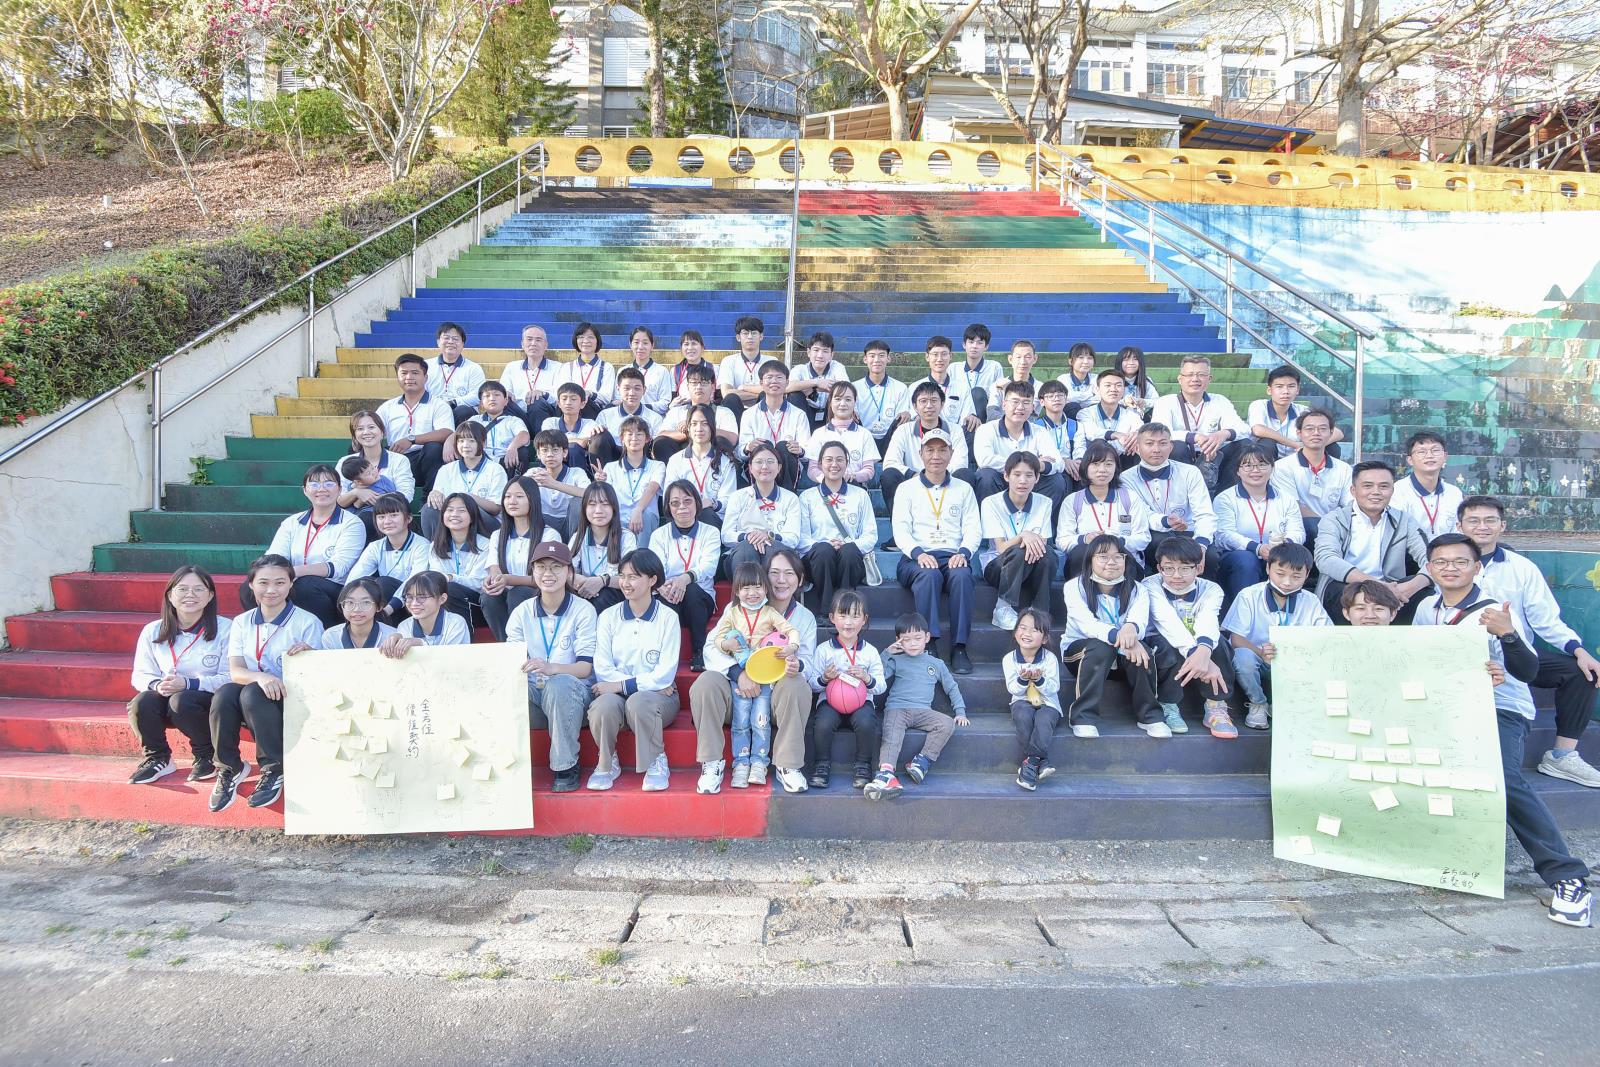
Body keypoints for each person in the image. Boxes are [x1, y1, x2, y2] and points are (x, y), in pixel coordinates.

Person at [1409, 534, 1592, 927]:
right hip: (1445, 707)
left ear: (1477, 568)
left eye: (1460, 561)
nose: (1450, 568)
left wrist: (1508, 635)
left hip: (1500, 708)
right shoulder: (1426, 608)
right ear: (1429, 568)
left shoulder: (1495, 610)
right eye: (1441, 561)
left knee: (1504, 777)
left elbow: (1528, 671)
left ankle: (1568, 877)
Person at [1460, 495, 1600, 789]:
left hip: (1515, 657)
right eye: (1473, 520)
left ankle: (1562, 756)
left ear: (1502, 525)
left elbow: (1546, 619)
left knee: (1580, 672)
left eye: (1490, 520)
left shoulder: (1522, 568)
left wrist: (1578, 650)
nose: (1482, 526)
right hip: (1462, 659)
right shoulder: (1447, 564)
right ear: (1460, 525)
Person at [691, 548, 818, 795]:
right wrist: (739, 674)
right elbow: (711, 648)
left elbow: (809, 664)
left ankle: (787, 764)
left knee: (797, 684)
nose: (781, 580)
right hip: (738, 694)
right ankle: (712, 762)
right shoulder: (737, 610)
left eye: (789, 574)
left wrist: (796, 665)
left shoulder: (804, 618)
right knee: (706, 682)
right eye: (774, 573)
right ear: (763, 576)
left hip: (775, 701)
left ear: (800, 579)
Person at [208, 554, 323, 813]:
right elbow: (236, 671)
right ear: (251, 585)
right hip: (253, 694)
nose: (271, 590)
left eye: (280, 583)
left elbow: (314, 676)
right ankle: (229, 768)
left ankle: (274, 768)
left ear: (291, 584)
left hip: (292, 697)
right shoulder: (242, 622)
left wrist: (309, 656)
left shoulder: (307, 622)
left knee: (252, 693)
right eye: (263, 583)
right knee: (225, 693)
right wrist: (262, 677)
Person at [506, 541, 597, 794]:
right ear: (533, 572)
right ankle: (506, 767)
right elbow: (511, 662)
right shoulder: (522, 612)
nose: (548, 573)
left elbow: (584, 669)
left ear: (569, 572)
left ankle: (565, 765)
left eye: (556, 567)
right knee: (504, 688)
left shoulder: (583, 610)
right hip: (536, 693)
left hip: (574, 692)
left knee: (559, 685)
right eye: (541, 567)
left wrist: (551, 668)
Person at [127, 566, 231, 786]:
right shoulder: (153, 630)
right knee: (141, 701)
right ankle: (158, 758)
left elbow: (230, 676)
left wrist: (188, 683)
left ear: (210, 595)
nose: (190, 595)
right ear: (170, 595)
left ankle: (206, 755)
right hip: (168, 694)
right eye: (182, 589)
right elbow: (140, 674)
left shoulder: (226, 628)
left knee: (181, 700)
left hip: (207, 698)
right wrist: (157, 685)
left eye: (198, 589)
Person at [588, 549, 682, 791]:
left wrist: (621, 686)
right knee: (603, 705)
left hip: (659, 700)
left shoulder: (668, 618)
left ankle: (656, 760)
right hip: (624, 695)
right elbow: (603, 668)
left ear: (652, 580)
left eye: (633, 577)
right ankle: (606, 762)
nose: (625, 583)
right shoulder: (608, 617)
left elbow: (665, 674)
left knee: (639, 701)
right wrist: (644, 684)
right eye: (622, 576)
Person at [891, 428, 981, 675]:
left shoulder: (964, 488)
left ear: (951, 454)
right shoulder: (906, 488)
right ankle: (929, 644)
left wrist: (964, 553)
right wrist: (918, 553)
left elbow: (973, 527)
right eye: (930, 450)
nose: (936, 456)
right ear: (920, 453)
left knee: (962, 576)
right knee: (928, 575)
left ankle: (959, 647)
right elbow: (900, 529)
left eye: (942, 450)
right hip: (915, 557)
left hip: (952, 555)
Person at [1222, 541, 1331, 730]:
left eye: (1296, 576)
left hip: (1295, 663)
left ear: (1307, 575)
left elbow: (1325, 637)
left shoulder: (1311, 601)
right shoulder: (1249, 595)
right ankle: (1258, 703)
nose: (1287, 582)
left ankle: (1289, 703)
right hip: (1260, 659)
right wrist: (1261, 653)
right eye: (1280, 574)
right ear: (1268, 568)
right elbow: (1236, 640)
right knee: (1242, 657)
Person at [1062, 535, 1163, 738]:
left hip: (1123, 655)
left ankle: (1150, 716)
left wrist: (1131, 631)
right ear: (1090, 560)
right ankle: (1083, 717)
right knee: (1102, 647)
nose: (1111, 562)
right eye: (1103, 556)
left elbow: (1138, 621)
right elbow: (1086, 624)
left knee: (1142, 651)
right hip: (1083, 656)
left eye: (1118, 557)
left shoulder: (1138, 589)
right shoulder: (1074, 586)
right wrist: (1122, 636)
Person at [709, 563, 800, 788]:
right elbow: (717, 639)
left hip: (764, 676)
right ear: (737, 591)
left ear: (766, 589)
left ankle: (759, 762)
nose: (752, 593)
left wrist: (792, 646)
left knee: (760, 720)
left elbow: (790, 631)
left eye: (758, 587)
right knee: (741, 721)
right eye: (746, 588)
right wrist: (726, 644)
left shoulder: (769, 613)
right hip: (741, 677)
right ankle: (741, 763)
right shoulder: (732, 613)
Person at [244, 464, 365, 627]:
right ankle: (267, 631)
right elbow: (274, 557)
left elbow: (339, 567)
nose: (321, 489)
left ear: (339, 489)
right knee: (251, 587)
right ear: (305, 490)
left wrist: (294, 572)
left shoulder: (352, 523)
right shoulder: (292, 522)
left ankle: (323, 633)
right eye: (314, 484)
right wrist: (275, 578)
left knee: (305, 586)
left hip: (336, 588)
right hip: (293, 580)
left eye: (329, 483)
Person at [1313, 460, 1432, 623]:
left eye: (1383, 486)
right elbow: (1326, 559)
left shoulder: (1404, 520)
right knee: (1341, 591)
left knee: (1425, 590)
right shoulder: (1334, 519)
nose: (1376, 492)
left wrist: (1409, 588)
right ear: (1353, 490)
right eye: (1368, 486)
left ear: (1392, 490)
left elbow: (1432, 560)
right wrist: (1378, 586)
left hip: (1393, 590)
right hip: (1348, 586)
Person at [868, 610, 969, 800]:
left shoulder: (936, 664)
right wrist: (887, 653)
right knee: (892, 735)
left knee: (946, 723)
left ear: (927, 638)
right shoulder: (896, 660)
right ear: (899, 641)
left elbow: (951, 687)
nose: (913, 643)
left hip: (923, 711)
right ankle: (886, 773)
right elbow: (879, 676)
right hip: (897, 708)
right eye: (906, 639)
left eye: (917, 638)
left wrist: (960, 711)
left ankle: (922, 761)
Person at [1141, 537, 1235, 738]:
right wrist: (1197, 655)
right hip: (1161, 637)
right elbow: (1166, 621)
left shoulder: (1211, 589)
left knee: (1219, 644)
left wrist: (1203, 651)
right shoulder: (1149, 585)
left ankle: (1216, 705)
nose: (1176, 575)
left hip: (1195, 640)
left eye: (1185, 568)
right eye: (1169, 568)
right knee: (1167, 647)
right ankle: (1168, 704)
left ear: (1199, 568)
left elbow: (1208, 620)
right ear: (1159, 568)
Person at [808, 590, 887, 790]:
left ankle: (863, 765)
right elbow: (812, 684)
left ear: (864, 619)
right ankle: (821, 764)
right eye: (842, 616)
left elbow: (881, 686)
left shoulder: (870, 652)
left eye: (855, 616)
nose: (848, 622)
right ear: (832, 617)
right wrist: (825, 678)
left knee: (866, 722)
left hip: (861, 703)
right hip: (830, 702)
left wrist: (867, 678)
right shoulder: (824, 650)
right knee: (823, 723)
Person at [1212, 442, 1306, 610]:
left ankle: (1286, 613)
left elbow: (1297, 531)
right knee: (1246, 560)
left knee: (1291, 559)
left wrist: (1284, 545)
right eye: (1248, 465)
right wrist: (1257, 548)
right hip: (1238, 556)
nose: (1255, 470)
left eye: (1262, 464)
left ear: (1272, 468)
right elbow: (1224, 534)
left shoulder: (1286, 499)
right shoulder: (1225, 499)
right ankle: (1245, 612)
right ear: (1238, 471)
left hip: (1279, 552)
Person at [797, 440, 877, 614]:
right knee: (824, 551)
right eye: (829, 460)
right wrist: (825, 544)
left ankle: (845, 609)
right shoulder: (807, 497)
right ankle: (827, 611)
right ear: (820, 464)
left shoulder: (860, 495)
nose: (834, 464)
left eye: (840, 459)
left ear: (847, 463)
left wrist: (848, 545)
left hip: (850, 560)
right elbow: (802, 537)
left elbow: (870, 535)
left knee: (849, 551)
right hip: (818, 561)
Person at [648, 481, 721, 671]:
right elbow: (656, 568)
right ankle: (664, 658)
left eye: (687, 501)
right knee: (665, 600)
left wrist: (684, 579)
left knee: (692, 590)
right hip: (669, 595)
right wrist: (662, 587)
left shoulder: (711, 532)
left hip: (699, 601)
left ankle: (699, 650)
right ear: (668, 507)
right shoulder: (659, 535)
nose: (682, 507)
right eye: (675, 503)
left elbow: (708, 567)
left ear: (697, 503)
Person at [1124, 422, 1217, 570]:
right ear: (1137, 447)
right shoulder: (1126, 478)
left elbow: (1204, 513)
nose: (1156, 449)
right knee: (1160, 544)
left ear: (1171, 447)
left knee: (1210, 556)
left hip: (1188, 532)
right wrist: (1165, 521)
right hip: (1153, 532)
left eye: (1162, 443)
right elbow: (1140, 514)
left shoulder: (1190, 472)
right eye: (1149, 443)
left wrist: (1201, 545)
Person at [1056, 440, 1154, 580]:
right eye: (1095, 464)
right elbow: (1062, 541)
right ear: (1085, 467)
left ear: (1116, 467)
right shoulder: (1072, 501)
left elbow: (1143, 538)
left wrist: (1116, 542)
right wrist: (1085, 539)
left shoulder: (1130, 498)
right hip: (1088, 561)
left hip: (1123, 561)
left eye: (1108, 464)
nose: (1102, 470)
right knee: (1079, 551)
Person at [880, 381, 976, 519]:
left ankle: (955, 523)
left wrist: (937, 477)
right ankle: (899, 524)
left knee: (965, 474)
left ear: (942, 404)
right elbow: (890, 462)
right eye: (923, 401)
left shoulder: (955, 430)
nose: (929, 406)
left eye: (934, 400)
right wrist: (916, 476)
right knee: (889, 475)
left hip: (946, 483)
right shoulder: (903, 430)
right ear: (915, 406)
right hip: (912, 483)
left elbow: (960, 463)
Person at [981, 451, 1056, 629]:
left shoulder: (1044, 502)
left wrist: (1029, 538)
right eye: (1017, 474)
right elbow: (1001, 548)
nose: (1023, 481)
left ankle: (1039, 611)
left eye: (1029, 475)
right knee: (1018, 551)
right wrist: (1023, 535)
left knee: (1049, 554)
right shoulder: (991, 503)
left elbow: (1041, 544)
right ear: (1006, 476)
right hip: (998, 567)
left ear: (1037, 478)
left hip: (1029, 566)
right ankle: (1002, 608)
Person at [1149, 355, 1249, 488]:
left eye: (1201, 374)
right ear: (1180, 379)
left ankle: (1225, 492)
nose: (1195, 379)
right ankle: (1180, 491)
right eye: (1190, 374)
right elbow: (1160, 432)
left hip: (1213, 457)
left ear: (1209, 379)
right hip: (1182, 457)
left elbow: (1244, 429)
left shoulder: (1220, 401)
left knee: (1245, 444)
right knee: (1176, 446)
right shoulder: (1165, 402)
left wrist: (1224, 434)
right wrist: (1194, 437)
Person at [480, 476, 560, 640]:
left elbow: (547, 578)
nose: (512, 501)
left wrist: (509, 579)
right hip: (508, 592)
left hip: (539, 593)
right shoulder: (498, 535)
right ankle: (507, 644)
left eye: (519, 496)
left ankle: (523, 642)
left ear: (532, 499)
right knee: (489, 597)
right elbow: (495, 568)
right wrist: (494, 581)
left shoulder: (549, 535)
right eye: (507, 496)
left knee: (518, 592)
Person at [972, 380, 1068, 509]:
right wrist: (1031, 464)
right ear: (1004, 404)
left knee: (1056, 481)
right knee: (986, 476)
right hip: (1000, 480)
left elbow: (1059, 463)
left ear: (1032, 408)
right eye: (1015, 402)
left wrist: (1040, 465)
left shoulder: (1040, 432)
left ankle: (1037, 518)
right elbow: (985, 460)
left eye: (1026, 402)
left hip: (1029, 483)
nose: (1020, 407)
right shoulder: (986, 429)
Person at [376, 352, 456, 490]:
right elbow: (374, 428)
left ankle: (429, 496)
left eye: (415, 373)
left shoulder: (438, 404)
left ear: (425, 377)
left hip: (421, 460)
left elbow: (446, 432)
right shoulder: (388, 407)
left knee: (434, 448)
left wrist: (412, 439)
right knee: (359, 445)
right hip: (395, 458)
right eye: (404, 373)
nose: (409, 377)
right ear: (397, 377)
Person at [1269, 409, 1351, 543]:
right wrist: (1325, 525)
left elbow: (1349, 505)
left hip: (1334, 526)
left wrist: (1333, 525)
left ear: (1331, 433)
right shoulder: (1282, 467)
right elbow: (1293, 507)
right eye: (1310, 429)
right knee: (1311, 524)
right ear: (1299, 433)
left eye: (1322, 429)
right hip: (1298, 528)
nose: (1316, 433)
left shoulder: (1344, 469)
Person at [722, 441, 803, 572]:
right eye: (759, 462)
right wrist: (749, 536)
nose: (765, 466)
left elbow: (793, 538)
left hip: (776, 553)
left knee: (773, 549)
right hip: (742, 555)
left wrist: (768, 535)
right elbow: (726, 535)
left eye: (770, 461)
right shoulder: (738, 496)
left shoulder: (790, 498)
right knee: (746, 548)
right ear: (750, 467)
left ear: (779, 467)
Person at [1004, 608, 1061, 790]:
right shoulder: (1009, 659)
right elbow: (1012, 688)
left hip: (1048, 703)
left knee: (1044, 719)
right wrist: (1023, 679)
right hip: (1021, 701)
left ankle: (1031, 762)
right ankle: (1041, 761)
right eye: (1022, 628)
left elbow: (1054, 687)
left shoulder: (1050, 658)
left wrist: (1039, 680)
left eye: (1035, 630)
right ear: (1015, 632)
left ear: (1044, 639)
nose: (1027, 633)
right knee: (1023, 715)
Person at [348, 492, 429, 621]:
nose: (387, 521)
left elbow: (415, 583)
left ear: (408, 518)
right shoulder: (375, 546)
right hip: (383, 605)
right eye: (381, 517)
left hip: (412, 603)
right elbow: (355, 577)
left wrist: (388, 609)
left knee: (384, 583)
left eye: (394, 515)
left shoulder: (422, 545)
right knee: (365, 583)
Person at [422, 422, 506, 538]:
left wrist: (468, 498)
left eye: (471, 441)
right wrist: (434, 495)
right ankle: (438, 546)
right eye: (461, 441)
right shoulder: (446, 469)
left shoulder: (495, 469)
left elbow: (496, 508)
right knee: (429, 508)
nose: (465, 445)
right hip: (454, 518)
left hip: (485, 522)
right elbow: (438, 498)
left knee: (468, 508)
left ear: (483, 443)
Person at [736, 360, 811, 489]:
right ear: (761, 383)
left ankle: (787, 496)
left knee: (783, 446)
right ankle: (760, 495)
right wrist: (748, 447)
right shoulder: (749, 414)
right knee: (764, 446)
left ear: (787, 382)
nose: (774, 381)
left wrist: (800, 449)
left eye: (779, 377)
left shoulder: (799, 414)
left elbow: (807, 452)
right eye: (769, 377)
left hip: (788, 466)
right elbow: (740, 453)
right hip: (760, 467)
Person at [338, 410, 415, 534]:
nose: (366, 432)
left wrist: (377, 499)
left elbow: (406, 494)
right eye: (360, 429)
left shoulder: (399, 460)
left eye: (371, 427)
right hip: (353, 516)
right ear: (354, 435)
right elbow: (339, 498)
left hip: (389, 513)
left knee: (368, 519)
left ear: (382, 431)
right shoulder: (345, 462)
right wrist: (357, 492)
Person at [568, 481, 637, 616]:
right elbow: (567, 571)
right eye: (592, 504)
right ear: (584, 508)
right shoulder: (579, 537)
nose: (598, 510)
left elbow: (631, 577)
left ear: (614, 508)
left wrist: (602, 581)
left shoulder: (626, 537)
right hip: (584, 590)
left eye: (605, 504)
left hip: (614, 594)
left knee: (603, 596)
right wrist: (579, 579)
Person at [662, 404, 738, 526]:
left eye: (705, 423)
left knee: (705, 513)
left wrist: (712, 503)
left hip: (712, 518)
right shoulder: (676, 460)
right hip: (683, 515)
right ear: (688, 428)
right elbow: (669, 496)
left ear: (712, 427)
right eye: (694, 424)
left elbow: (729, 499)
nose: (699, 428)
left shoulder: (726, 461)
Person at [423, 493, 492, 626]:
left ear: (472, 516)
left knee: (450, 588)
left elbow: (479, 583)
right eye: (449, 510)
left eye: (461, 510)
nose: (454, 514)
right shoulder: (435, 545)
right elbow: (438, 580)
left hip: (477, 603)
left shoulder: (485, 545)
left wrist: (452, 578)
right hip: (446, 599)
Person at [1247, 365, 1342, 458]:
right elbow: (1258, 430)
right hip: (1268, 460)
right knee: (1267, 443)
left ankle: (1324, 469)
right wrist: (1295, 445)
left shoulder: (1303, 411)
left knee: (1332, 447)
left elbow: (1338, 433)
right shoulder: (1259, 405)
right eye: (1279, 387)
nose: (1286, 391)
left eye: (1291, 386)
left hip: (1297, 458)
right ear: (1269, 390)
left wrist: (1310, 446)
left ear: (1297, 390)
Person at [655, 363, 739, 461]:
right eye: (694, 383)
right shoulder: (676, 411)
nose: (699, 387)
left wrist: (697, 427)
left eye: (704, 382)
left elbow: (733, 439)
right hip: (681, 461)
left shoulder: (723, 412)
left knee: (721, 441)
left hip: (713, 462)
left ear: (712, 387)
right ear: (688, 387)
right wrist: (689, 432)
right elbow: (662, 434)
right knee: (661, 443)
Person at [598, 417, 664, 541]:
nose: (634, 438)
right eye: (629, 434)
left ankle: (642, 553)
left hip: (645, 520)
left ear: (647, 439)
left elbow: (652, 489)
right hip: (618, 520)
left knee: (647, 514)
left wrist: (638, 510)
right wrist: (600, 483)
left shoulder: (657, 466)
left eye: (639, 434)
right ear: (622, 439)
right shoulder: (610, 468)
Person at [803, 381, 879, 486]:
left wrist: (853, 476)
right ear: (830, 402)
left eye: (848, 399)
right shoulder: (819, 433)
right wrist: (828, 478)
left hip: (854, 486)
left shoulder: (864, 434)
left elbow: (869, 470)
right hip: (825, 487)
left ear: (855, 402)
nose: (842, 404)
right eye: (838, 399)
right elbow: (812, 469)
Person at [1390, 431, 1463, 538]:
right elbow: (1398, 533)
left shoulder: (1454, 493)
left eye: (1435, 450)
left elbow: (1458, 531)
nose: (1429, 456)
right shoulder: (1398, 491)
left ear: (1445, 456)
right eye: (1421, 452)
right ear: (1410, 460)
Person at [383, 570, 473, 653]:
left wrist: (421, 644)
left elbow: (451, 659)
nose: (414, 603)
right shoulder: (404, 626)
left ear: (442, 599)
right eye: (409, 597)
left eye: (422, 597)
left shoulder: (456, 623)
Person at [498, 324, 561, 439]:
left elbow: (560, 397)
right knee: (503, 400)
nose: (533, 343)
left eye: (538, 340)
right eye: (529, 339)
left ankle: (542, 443)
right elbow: (504, 389)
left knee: (536, 401)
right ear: (522, 344)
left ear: (546, 345)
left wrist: (543, 394)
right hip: (519, 414)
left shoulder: (558, 367)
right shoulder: (511, 367)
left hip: (544, 414)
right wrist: (507, 394)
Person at [592, 366, 663, 467]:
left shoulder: (655, 418)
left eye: (637, 388)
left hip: (641, 461)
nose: (631, 393)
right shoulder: (605, 415)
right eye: (626, 388)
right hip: (611, 459)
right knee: (598, 437)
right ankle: (601, 475)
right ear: (618, 389)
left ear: (644, 390)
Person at [853, 339, 912, 457]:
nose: (876, 360)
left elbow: (901, 419)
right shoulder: (854, 387)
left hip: (891, 438)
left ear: (888, 358)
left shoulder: (900, 387)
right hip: (862, 436)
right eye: (872, 356)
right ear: (865, 359)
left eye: (881, 355)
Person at [529, 428, 591, 538]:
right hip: (542, 522)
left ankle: (575, 543)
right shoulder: (534, 473)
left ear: (565, 452)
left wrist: (553, 484)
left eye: (555, 450)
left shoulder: (576, 472)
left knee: (578, 502)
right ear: (538, 454)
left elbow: (589, 494)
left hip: (569, 522)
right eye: (544, 450)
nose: (550, 455)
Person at [918, 335, 981, 439]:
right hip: (925, 437)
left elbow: (967, 417)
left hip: (955, 437)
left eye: (944, 354)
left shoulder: (962, 387)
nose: (939, 359)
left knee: (972, 423)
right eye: (935, 354)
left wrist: (971, 417)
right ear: (927, 357)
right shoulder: (916, 387)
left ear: (950, 356)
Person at [1072, 369, 1142, 461]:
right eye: (1108, 385)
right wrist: (1117, 435)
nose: (1113, 389)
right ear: (1097, 390)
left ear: (1124, 390)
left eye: (1118, 385)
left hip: (1123, 460)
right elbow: (1092, 433)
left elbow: (1139, 428)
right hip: (1094, 461)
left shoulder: (1131, 414)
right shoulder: (1085, 413)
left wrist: (1138, 434)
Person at [428, 321, 486, 424]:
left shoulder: (473, 368)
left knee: (463, 411)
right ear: (438, 342)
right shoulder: (426, 366)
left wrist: (453, 403)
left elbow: (477, 395)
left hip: (460, 411)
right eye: (446, 338)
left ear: (463, 344)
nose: (450, 342)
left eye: (455, 339)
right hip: (432, 408)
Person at [789, 331, 849, 428]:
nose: (820, 355)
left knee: (842, 398)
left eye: (825, 351)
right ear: (809, 352)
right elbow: (786, 387)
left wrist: (813, 389)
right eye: (816, 350)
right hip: (806, 414)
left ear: (831, 355)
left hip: (829, 414)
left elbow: (846, 388)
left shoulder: (837, 367)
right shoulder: (799, 369)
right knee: (795, 395)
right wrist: (816, 383)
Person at [320, 577, 397, 651]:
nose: (357, 609)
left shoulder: (393, 636)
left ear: (379, 607)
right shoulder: (331, 636)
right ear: (342, 606)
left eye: (366, 602)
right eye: (350, 602)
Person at [559, 322, 616, 417]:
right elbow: (562, 393)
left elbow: (606, 398)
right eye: (581, 337)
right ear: (576, 340)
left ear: (597, 341)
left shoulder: (607, 367)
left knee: (584, 401)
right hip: (570, 410)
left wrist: (590, 394)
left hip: (594, 410)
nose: (585, 341)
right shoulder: (567, 367)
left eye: (590, 337)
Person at [471, 380, 529, 473]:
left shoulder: (513, 420)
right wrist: (449, 442)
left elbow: (524, 435)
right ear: (481, 404)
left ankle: (516, 480)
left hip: (506, 461)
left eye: (497, 395)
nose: (492, 399)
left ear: (506, 401)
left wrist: (512, 448)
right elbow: (459, 434)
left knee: (522, 451)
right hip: (481, 461)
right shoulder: (475, 420)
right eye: (487, 396)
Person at [717, 315, 768, 418]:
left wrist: (743, 388)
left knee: (766, 397)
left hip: (762, 410)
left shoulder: (771, 361)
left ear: (761, 336)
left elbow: (774, 390)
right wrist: (759, 393)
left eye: (754, 333)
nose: (750, 337)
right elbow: (726, 393)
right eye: (745, 333)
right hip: (736, 408)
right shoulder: (728, 361)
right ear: (738, 337)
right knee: (731, 398)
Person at [542, 384, 602, 471]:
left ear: (582, 404)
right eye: (564, 399)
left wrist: (563, 442)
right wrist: (578, 441)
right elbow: (548, 441)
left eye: (573, 399)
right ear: (559, 403)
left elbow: (589, 443)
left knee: (574, 449)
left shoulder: (590, 424)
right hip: (553, 465)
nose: (568, 403)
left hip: (581, 465)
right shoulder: (550, 422)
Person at [957, 323, 1004, 425]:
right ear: (964, 345)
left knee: (978, 392)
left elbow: (998, 397)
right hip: (960, 419)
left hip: (985, 421)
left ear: (986, 346)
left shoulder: (994, 367)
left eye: (979, 343)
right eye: (971, 342)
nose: (974, 346)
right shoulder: (953, 368)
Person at [624, 326, 674, 415]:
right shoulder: (623, 371)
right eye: (636, 342)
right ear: (630, 344)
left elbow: (665, 403)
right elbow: (618, 399)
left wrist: (641, 408)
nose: (640, 347)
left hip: (652, 419)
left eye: (645, 343)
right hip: (627, 418)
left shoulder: (662, 371)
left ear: (652, 345)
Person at [1031, 380, 1077, 476]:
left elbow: (1080, 450)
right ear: (1042, 402)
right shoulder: (1036, 427)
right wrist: (1063, 461)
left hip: (1073, 469)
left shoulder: (1076, 425)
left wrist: (1078, 463)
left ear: (1066, 399)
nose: (1056, 399)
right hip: (1048, 472)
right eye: (1050, 396)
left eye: (1060, 395)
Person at [667, 329, 715, 413]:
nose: (690, 348)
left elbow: (719, 398)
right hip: (683, 411)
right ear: (681, 348)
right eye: (686, 344)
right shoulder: (675, 371)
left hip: (708, 411)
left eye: (694, 343)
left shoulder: (713, 368)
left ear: (702, 347)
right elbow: (672, 397)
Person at [1057, 341, 1098, 417]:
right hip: (1071, 416)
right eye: (1081, 357)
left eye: (1089, 358)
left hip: (1092, 415)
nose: (1086, 362)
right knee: (1072, 406)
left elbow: (1100, 399)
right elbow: (1068, 398)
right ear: (1071, 361)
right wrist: (1091, 394)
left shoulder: (1097, 378)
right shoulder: (1063, 379)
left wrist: (1079, 400)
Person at [1117, 346, 1158, 416]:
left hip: (1141, 419)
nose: (1131, 363)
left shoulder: (1146, 381)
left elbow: (1157, 401)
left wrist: (1144, 402)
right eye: (1126, 359)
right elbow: (1105, 402)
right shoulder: (1112, 381)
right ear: (1120, 362)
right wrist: (1124, 402)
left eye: (1135, 359)